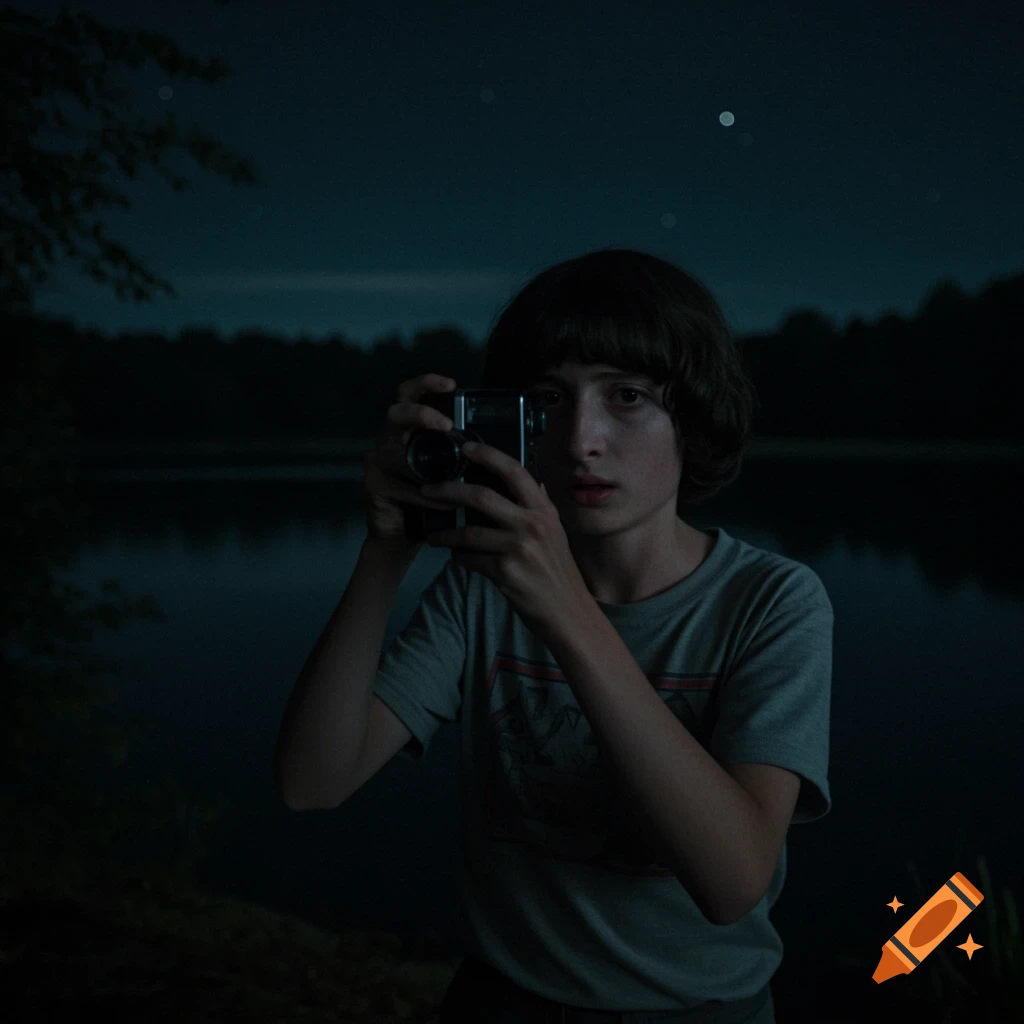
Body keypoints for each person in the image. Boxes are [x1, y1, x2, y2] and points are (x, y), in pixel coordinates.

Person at [273, 247, 833, 1024]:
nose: (581, 441)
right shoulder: (483, 586)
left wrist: (565, 608)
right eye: (548, 400)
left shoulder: (770, 601)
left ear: (694, 416)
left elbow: (733, 880)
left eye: (628, 396)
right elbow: (311, 782)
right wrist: (388, 549)